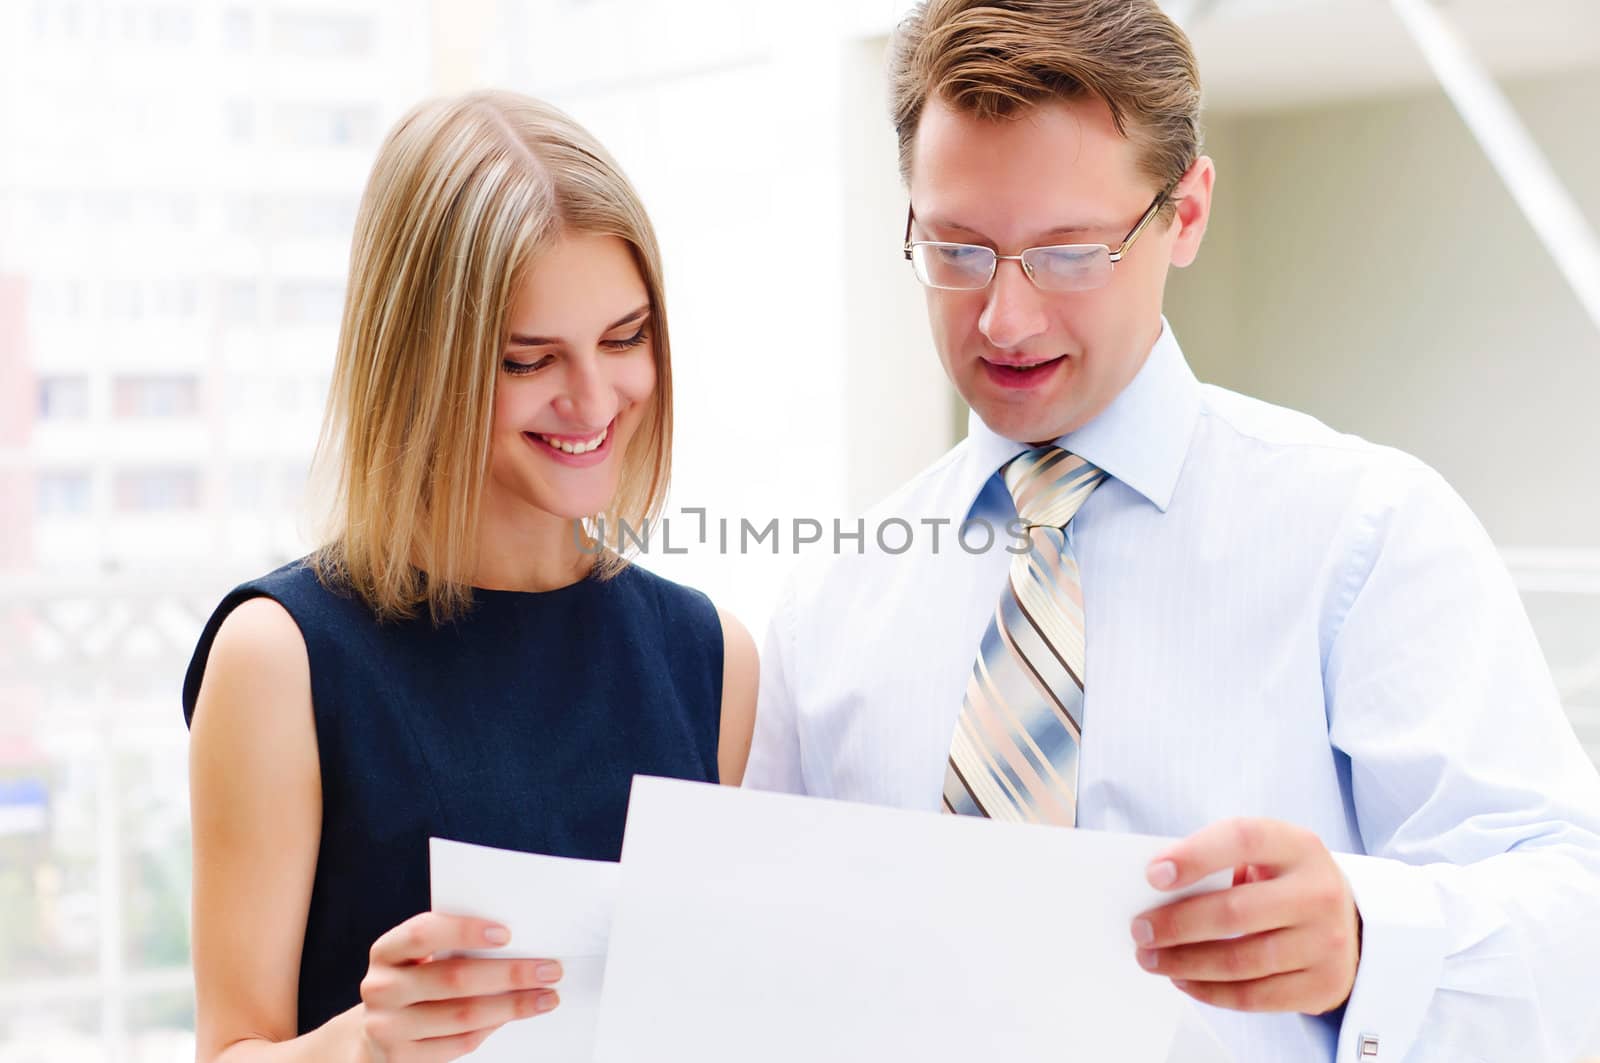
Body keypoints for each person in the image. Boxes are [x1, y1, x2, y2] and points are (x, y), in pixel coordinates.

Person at [742, 2, 1600, 1060]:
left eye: (1068, 254)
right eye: (958, 250)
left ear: (1184, 213)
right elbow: (762, 968)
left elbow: (1573, 922)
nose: (1004, 321)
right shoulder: (832, 600)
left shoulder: (1366, 535)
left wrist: (1368, 936)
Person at [182, 90, 759, 1062]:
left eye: (624, 338)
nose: (592, 398)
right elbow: (230, 1046)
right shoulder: (282, 658)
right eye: (529, 359)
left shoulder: (712, 660)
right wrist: (367, 1044)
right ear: (420, 365)